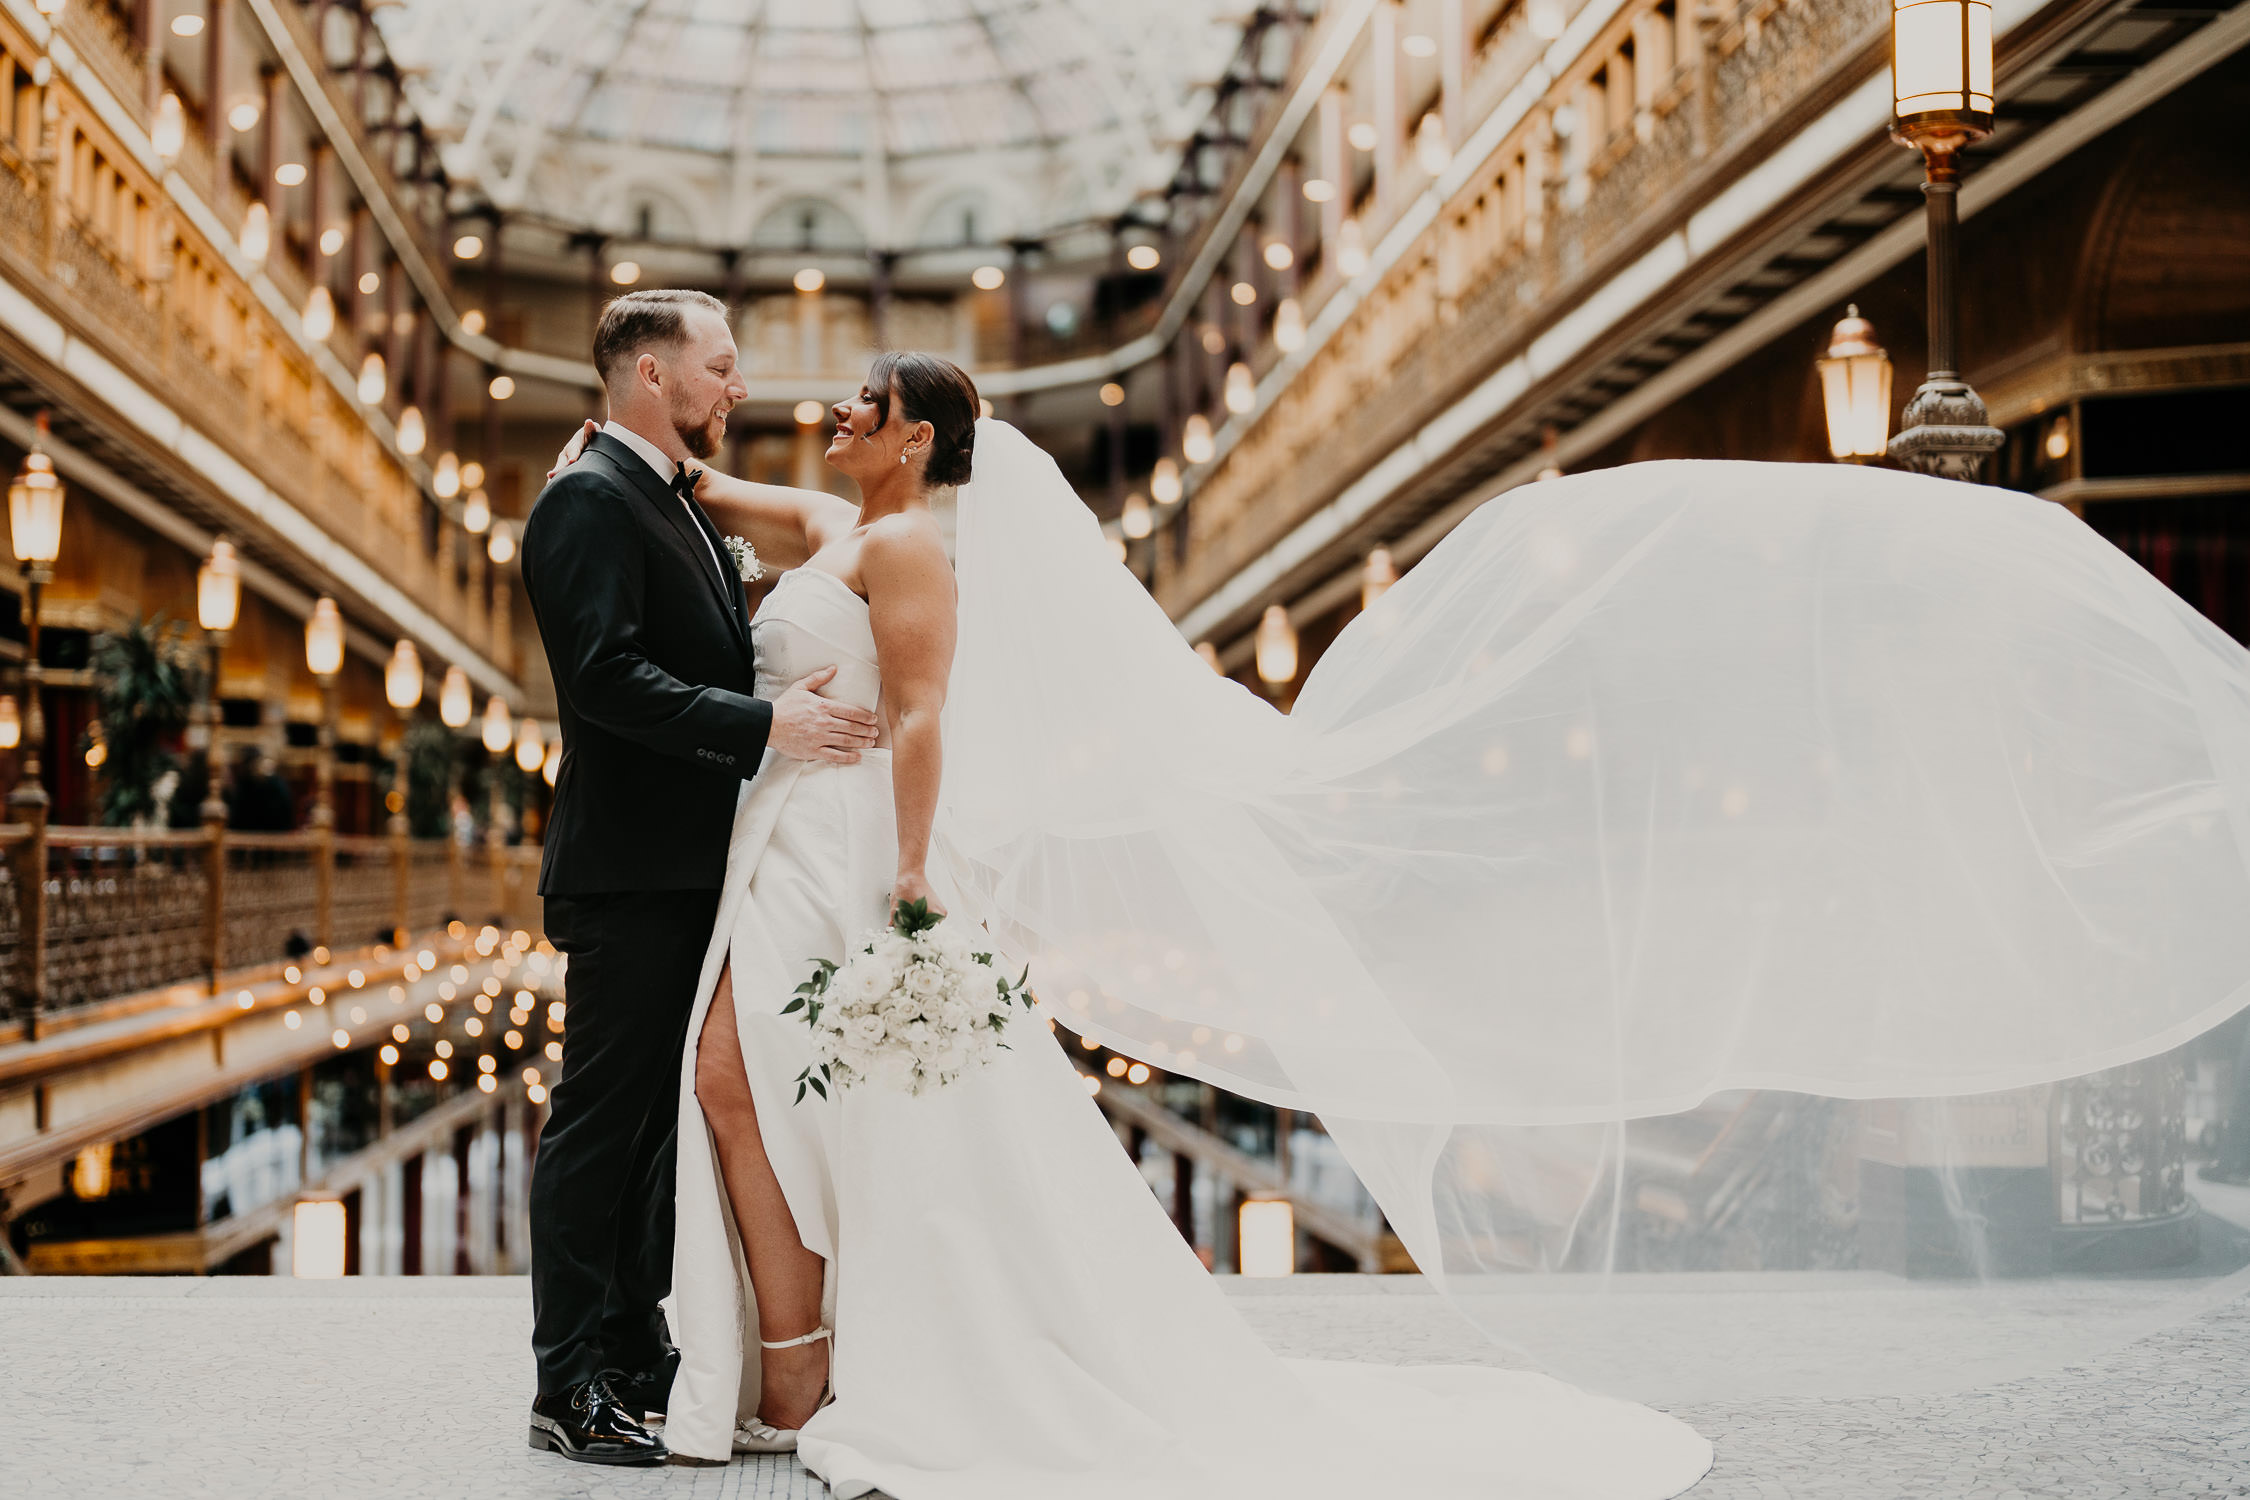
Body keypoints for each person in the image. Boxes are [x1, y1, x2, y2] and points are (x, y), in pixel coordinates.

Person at [549, 345, 2250, 1497]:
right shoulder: (873, 526)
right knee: (782, 1098)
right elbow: (802, 534)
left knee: (765, 1089)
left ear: (912, 437)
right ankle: (800, 1362)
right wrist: (666, 482)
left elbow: (919, 715)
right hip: (794, 848)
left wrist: (916, 878)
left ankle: (806, 1365)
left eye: (854, 405)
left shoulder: (911, 559)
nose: (817, 415)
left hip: (855, 853)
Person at [515, 289, 881, 1467]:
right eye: (719, 368)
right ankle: (566, 1383)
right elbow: (607, 680)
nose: (739, 388)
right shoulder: (587, 500)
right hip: (627, 866)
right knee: (599, 1125)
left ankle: (632, 1349)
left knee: (649, 1136)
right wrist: (765, 725)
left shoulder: (660, 493)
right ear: (652, 377)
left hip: (687, 865)